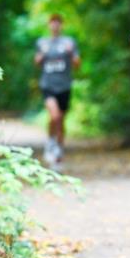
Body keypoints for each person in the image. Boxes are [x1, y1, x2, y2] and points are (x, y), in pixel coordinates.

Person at [35, 14, 81, 166]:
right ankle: (50, 142)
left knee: (61, 120)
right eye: (52, 23)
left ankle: (58, 153)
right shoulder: (42, 42)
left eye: (58, 23)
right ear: (49, 25)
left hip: (64, 86)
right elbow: (37, 62)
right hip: (48, 85)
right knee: (54, 116)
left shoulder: (69, 42)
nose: (55, 26)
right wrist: (41, 55)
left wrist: (70, 53)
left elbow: (77, 64)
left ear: (62, 25)